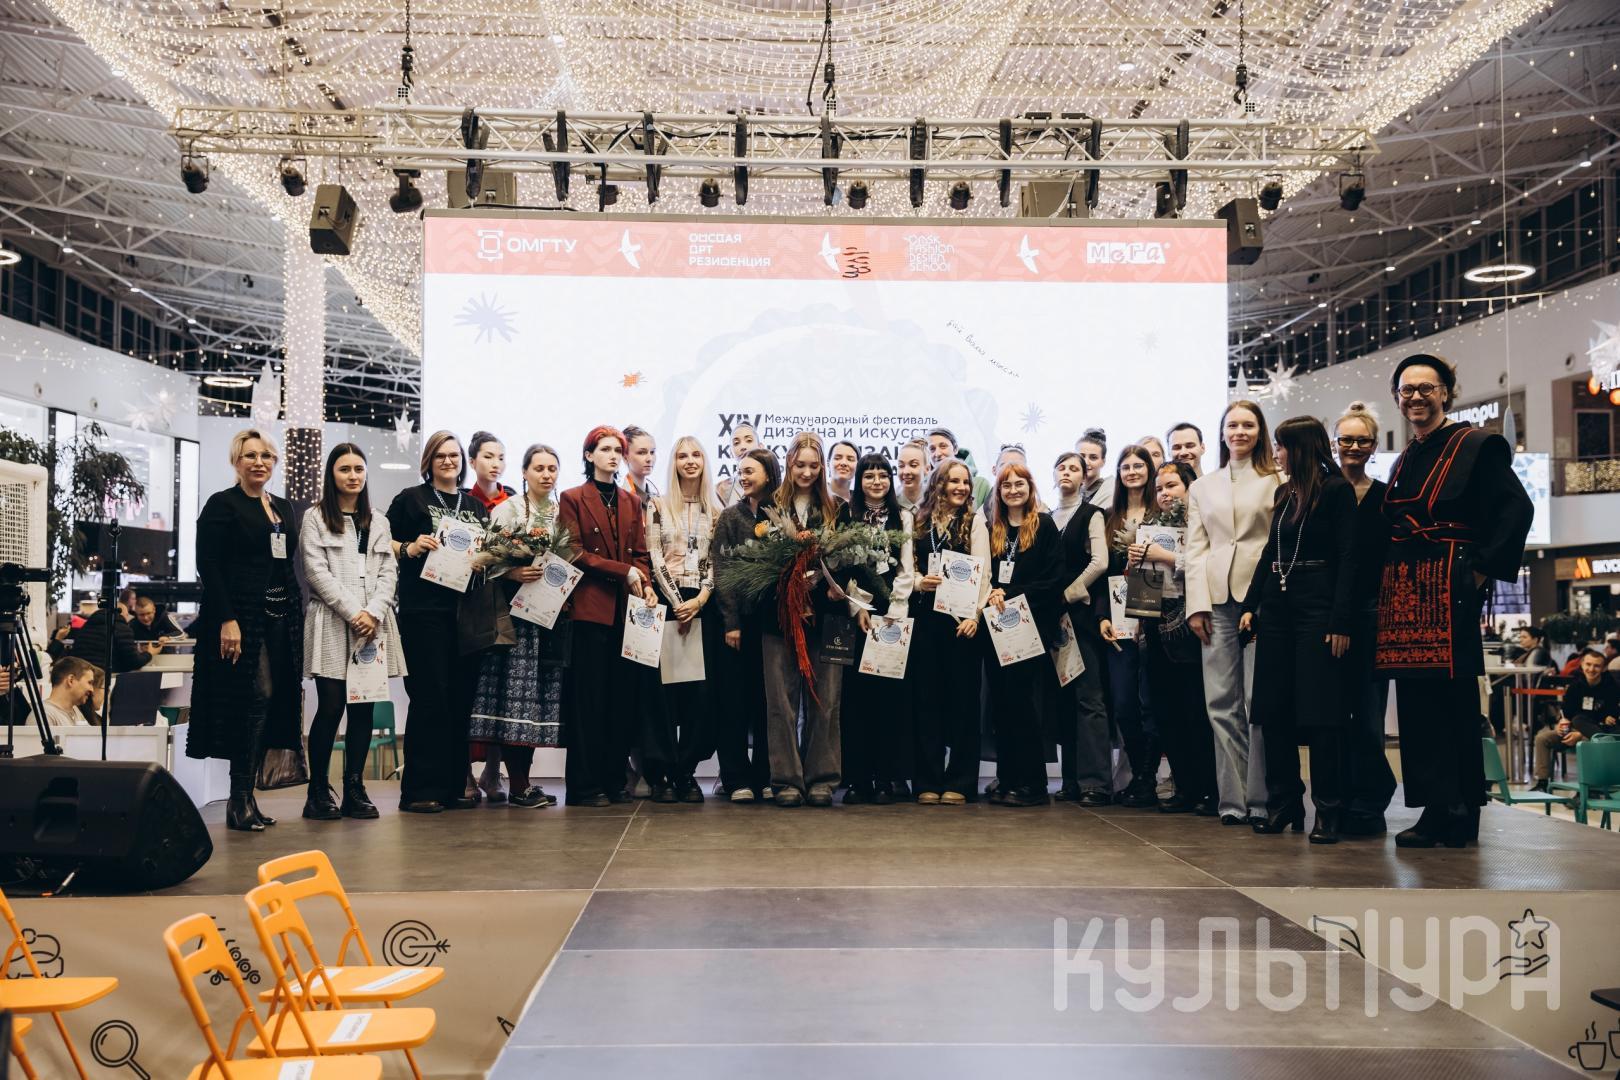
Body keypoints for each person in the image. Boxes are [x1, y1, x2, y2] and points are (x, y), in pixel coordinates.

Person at [1376, 353, 1533, 849]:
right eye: (1407, 390)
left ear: (1446, 392)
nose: (1416, 397)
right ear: (1397, 398)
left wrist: (1480, 569)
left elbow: (1517, 508)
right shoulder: (1406, 456)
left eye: (1427, 388)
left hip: (1450, 587)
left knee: (1454, 702)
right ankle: (1436, 809)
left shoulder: (1476, 445)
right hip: (1407, 591)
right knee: (1416, 705)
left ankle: (1460, 810)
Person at [1240, 418, 1359, 844]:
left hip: (1318, 607)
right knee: (1273, 710)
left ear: (1301, 448)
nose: (1276, 453)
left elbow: (1349, 557)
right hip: (1278, 605)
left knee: (1321, 714)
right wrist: (1250, 605)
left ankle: (1328, 808)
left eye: (1281, 446)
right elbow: (1269, 553)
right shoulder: (1284, 492)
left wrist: (1340, 620)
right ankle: (1283, 802)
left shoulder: (1336, 490)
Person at [187, 429, 302, 832]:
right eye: (250, 455)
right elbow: (208, 564)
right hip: (240, 617)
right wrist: (227, 618)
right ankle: (238, 798)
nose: (259, 462)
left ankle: (247, 798)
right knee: (256, 697)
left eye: (266, 456)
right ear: (236, 462)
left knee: (270, 702)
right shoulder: (223, 504)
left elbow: (286, 564)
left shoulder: (283, 508)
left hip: (279, 617)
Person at [1185, 400, 1284, 826]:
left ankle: (1261, 800)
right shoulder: (1202, 486)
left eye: (1248, 425)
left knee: (1257, 701)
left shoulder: (1278, 478)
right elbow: (1195, 549)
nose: (1240, 432)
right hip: (1216, 601)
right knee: (1220, 703)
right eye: (1232, 425)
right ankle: (1232, 800)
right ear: (1222, 433)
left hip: (1260, 600)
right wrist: (1196, 606)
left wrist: (1265, 600)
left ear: (1260, 432)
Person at [387, 430, 491, 814]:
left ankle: (452, 787)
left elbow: (488, 552)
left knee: (460, 701)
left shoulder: (475, 506)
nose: (448, 461)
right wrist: (410, 547)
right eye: (440, 455)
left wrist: (484, 560)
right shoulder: (410, 499)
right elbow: (381, 543)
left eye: (454, 455)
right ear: (429, 461)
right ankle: (419, 790)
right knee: (430, 697)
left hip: (465, 614)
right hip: (423, 612)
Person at [299, 442, 401, 822]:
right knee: (330, 706)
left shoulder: (378, 521)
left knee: (363, 708)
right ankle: (317, 792)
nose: (353, 475)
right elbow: (316, 571)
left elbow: (389, 572)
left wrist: (372, 613)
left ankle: (355, 789)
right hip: (331, 621)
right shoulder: (315, 517)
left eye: (359, 468)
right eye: (345, 469)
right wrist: (354, 612)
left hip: (371, 627)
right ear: (332, 474)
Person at [557, 426, 658, 806]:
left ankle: (614, 781)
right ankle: (584, 787)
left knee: (621, 700)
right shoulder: (572, 498)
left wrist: (645, 582)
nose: (613, 455)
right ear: (589, 455)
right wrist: (625, 572)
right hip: (590, 610)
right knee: (589, 702)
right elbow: (573, 552)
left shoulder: (630, 500)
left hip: (627, 612)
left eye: (618, 449)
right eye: (605, 449)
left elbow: (640, 554)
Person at [469, 444, 569, 809]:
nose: (546, 474)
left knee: (536, 705)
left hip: (549, 620)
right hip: (515, 622)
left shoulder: (561, 514)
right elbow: (483, 561)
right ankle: (519, 785)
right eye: (539, 468)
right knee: (515, 703)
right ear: (524, 472)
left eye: (552, 468)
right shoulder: (509, 509)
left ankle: (522, 783)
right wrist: (513, 572)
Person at [759, 432, 845, 807]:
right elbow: (757, 563)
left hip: (828, 619)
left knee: (826, 701)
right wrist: (789, 580)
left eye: (813, 466)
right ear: (789, 464)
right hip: (779, 619)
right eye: (800, 465)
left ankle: (822, 779)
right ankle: (787, 780)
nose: (806, 472)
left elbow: (850, 559)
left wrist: (828, 583)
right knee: (781, 702)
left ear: (822, 467)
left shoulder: (837, 508)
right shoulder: (768, 507)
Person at [1130, 461, 1217, 815]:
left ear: (1190, 487)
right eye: (1160, 488)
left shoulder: (1203, 523)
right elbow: (1144, 587)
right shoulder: (1151, 528)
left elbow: (1206, 566)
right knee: (1167, 714)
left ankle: (1210, 790)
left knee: (1195, 711)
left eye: (1172, 486)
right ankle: (1185, 787)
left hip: (1191, 629)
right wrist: (1137, 566)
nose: (1165, 494)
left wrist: (1165, 556)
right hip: (1155, 630)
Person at [983, 463, 1065, 807]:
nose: (1013, 490)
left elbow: (1054, 580)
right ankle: (1008, 778)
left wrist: (1011, 593)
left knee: (1023, 704)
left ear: (1030, 488)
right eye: (1006, 485)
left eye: (1019, 484)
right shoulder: (993, 529)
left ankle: (1033, 784)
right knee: (1001, 705)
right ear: (998, 492)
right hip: (996, 628)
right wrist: (992, 592)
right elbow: (984, 575)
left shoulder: (1044, 525)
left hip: (1031, 628)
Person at [646, 435, 723, 802]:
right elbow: (654, 555)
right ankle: (660, 772)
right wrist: (678, 602)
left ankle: (686, 771)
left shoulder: (716, 511)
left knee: (700, 694)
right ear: (674, 463)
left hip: (703, 603)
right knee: (663, 694)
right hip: (666, 601)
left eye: (696, 455)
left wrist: (701, 599)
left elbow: (716, 562)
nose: (690, 461)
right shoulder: (658, 505)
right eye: (682, 456)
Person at [835, 453, 916, 804]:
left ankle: (886, 779)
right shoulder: (846, 514)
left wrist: (894, 611)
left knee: (889, 701)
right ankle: (857, 780)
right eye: (869, 476)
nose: (877, 481)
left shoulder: (903, 516)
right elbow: (840, 567)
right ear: (860, 480)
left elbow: (907, 570)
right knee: (856, 702)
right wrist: (857, 607)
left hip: (892, 614)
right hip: (857, 615)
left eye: (883, 475)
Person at [1335, 401, 1398, 835]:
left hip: (1372, 615)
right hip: (1326, 618)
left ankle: (1370, 801)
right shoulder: (1321, 493)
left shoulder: (1385, 498)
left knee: (1368, 712)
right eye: (1347, 439)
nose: (1354, 447)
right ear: (1334, 443)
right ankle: (1339, 797)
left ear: (1374, 446)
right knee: (1333, 714)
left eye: (1362, 440)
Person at [910, 458, 989, 804]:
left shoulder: (975, 522)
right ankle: (927, 780)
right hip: (926, 620)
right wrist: (918, 581)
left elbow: (984, 572)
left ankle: (961, 780)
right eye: (953, 481)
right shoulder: (918, 520)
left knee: (963, 704)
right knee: (926, 701)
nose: (961, 487)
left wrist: (976, 615)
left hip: (962, 624)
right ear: (937, 484)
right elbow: (908, 568)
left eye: (965, 482)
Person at [712, 447, 781, 802]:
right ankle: (736, 777)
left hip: (773, 624)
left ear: (769, 474)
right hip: (739, 624)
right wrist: (731, 622)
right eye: (741, 471)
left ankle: (766, 774)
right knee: (734, 702)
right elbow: (722, 573)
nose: (743, 476)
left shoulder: (781, 516)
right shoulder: (729, 517)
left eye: (750, 471)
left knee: (767, 701)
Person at [1051, 451, 1110, 805]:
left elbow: (1100, 562)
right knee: (1063, 699)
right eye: (1062, 467)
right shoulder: (1045, 517)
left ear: (1084, 476)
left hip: (1082, 616)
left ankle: (1096, 783)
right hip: (1052, 619)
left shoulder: (1093, 514)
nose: (1067, 472)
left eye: (1075, 468)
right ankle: (1071, 780)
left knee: (1089, 698)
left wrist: (1069, 593)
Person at [1102, 444, 1160, 807]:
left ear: (1149, 471)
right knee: (1123, 704)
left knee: (1150, 704)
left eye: (1139, 465)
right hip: (1118, 623)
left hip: (1155, 622)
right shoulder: (1109, 518)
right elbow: (1102, 572)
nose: (1132, 471)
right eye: (1126, 466)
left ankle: (1147, 780)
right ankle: (1139, 773)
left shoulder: (1161, 514)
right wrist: (1102, 617)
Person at [463, 430, 513, 802]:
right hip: (473, 603)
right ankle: (464, 772)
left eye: (500, 457)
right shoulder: (464, 502)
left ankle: (494, 772)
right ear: (472, 461)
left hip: (509, 603)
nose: (495, 464)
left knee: (501, 689)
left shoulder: (513, 501)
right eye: (487, 457)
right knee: (472, 690)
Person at [1532, 649, 1620, 790]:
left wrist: (1580, 735)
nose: (1591, 669)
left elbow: (1610, 723)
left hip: (1598, 735)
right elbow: (1566, 714)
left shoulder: (1612, 687)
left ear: (1603, 668)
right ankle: (1542, 783)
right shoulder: (1575, 686)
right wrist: (1561, 723)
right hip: (1573, 730)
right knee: (1542, 738)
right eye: (1588, 664)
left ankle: (1589, 788)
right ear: (1582, 665)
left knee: (1587, 740)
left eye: (1596, 666)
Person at [68, 600, 159, 674]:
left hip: (82, 675)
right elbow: (134, 662)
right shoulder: (122, 628)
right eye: (127, 615)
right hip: (105, 677)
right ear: (122, 614)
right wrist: (149, 653)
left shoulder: (86, 627)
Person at [926, 427, 992, 508]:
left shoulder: (981, 485)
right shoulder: (922, 487)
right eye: (932, 449)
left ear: (955, 449)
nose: (937, 453)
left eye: (943, 446)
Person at [42, 656, 102, 726]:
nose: (92, 689)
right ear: (71, 680)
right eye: (89, 682)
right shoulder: (45, 715)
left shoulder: (75, 710)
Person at [715, 422, 759, 508]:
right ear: (730, 453)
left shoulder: (775, 487)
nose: (743, 447)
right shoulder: (720, 490)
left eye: (749, 440)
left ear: (760, 447)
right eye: (736, 443)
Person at [1076, 429, 1112, 508]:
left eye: (1093, 457)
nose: (1086, 462)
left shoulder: (1111, 493)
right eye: (1082, 456)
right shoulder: (1070, 493)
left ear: (1103, 461)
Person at [896, 439, 929, 512]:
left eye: (913, 465)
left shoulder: (935, 500)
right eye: (901, 465)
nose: (906, 472)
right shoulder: (889, 501)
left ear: (927, 469)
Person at [828, 440, 860, 505]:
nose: (843, 463)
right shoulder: (815, 496)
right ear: (828, 464)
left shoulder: (861, 503)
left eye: (850, 459)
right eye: (837, 458)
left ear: (858, 466)